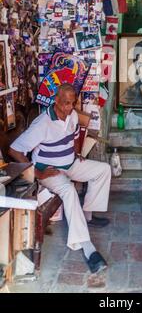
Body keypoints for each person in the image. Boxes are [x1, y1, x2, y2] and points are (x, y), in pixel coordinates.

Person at [8, 84, 111, 274]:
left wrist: (76, 152)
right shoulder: (42, 123)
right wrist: (38, 174)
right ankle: (88, 249)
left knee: (103, 170)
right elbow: (14, 149)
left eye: (72, 103)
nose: (69, 107)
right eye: (65, 103)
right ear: (56, 100)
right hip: (50, 171)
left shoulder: (71, 115)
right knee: (69, 191)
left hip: (70, 164)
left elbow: (72, 135)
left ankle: (87, 216)